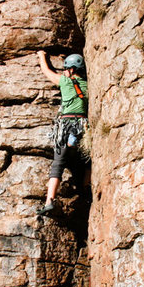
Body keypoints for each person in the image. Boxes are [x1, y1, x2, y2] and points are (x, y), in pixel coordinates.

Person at [36, 50, 89, 216]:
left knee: (58, 163)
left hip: (66, 126)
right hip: (83, 127)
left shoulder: (66, 82)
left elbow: (47, 72)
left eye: (66, 69)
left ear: (71, 70)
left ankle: (49, 200)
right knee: (87, 162)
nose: (64, 71)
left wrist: (41, 57)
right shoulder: (88, 85)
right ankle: (86, 190)